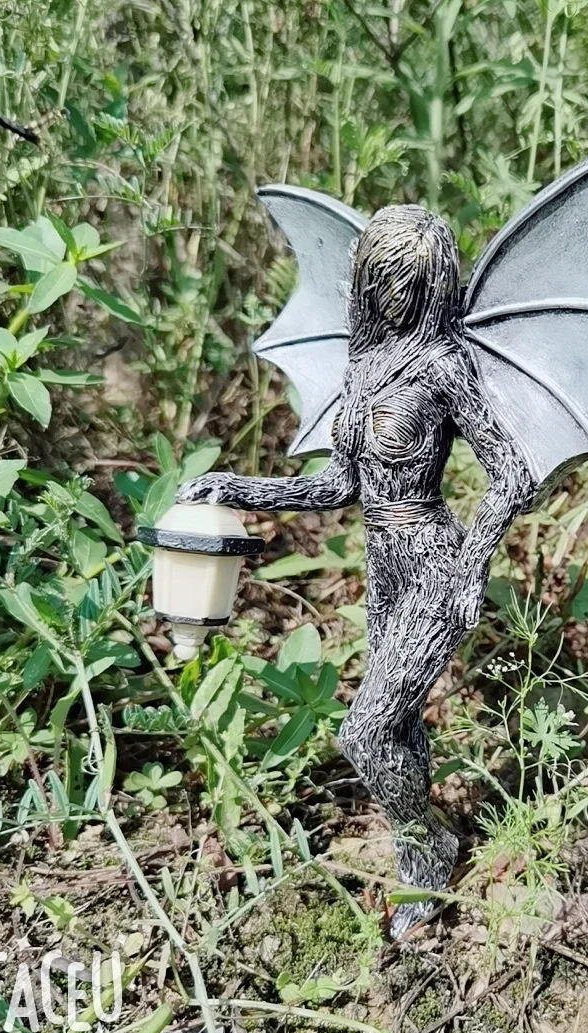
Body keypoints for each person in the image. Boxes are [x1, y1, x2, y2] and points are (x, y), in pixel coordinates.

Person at [178, 204, 536, 936]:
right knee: (398, 724)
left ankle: (427, 848)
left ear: (436, 285)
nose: (397, 296)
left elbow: (511, 476)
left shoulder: (443, 365)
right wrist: (236, 488)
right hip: (383, 561)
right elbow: (335, 488)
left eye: (412, 282)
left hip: (433, 557)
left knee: (366, 731)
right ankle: (419, 856)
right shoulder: (364, 364)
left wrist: (471, 571)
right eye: (384, 280)